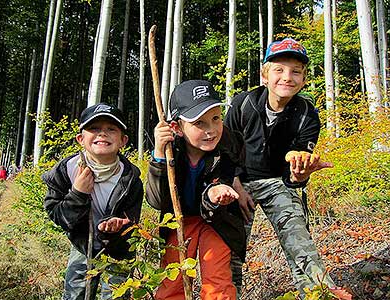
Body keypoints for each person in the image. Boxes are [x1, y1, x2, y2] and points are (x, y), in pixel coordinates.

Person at [225, 38, 338, 297]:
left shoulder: (307, 115)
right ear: (264, 75)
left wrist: (299, 175)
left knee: (299, 239)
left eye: (295, 71)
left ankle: (318, 293)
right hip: (238, 182)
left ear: (304, 79)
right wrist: (235, 185)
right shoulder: (243, 104)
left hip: (277, 182)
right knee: (229, 251)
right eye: (279, 69)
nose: (287, 77)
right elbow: (224, 153)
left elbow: (294, 176)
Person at [146, 80, 246, 299]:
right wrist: (159, 156)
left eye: (216, 119)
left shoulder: (228, 146)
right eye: (199, 123)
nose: (211, 130)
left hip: (217, 220)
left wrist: (215, 193)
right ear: (177, 128)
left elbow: (230, 176)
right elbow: (156, 200)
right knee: (173, 280)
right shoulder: (171, 151)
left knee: (217, 279)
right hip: (180, 220)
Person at [42, 103, 144, 300]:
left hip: (119, 250)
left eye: (111, 129)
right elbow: (57, 215)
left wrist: (118, 227)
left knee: (117, 296)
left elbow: (132, 223)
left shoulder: (131, 179)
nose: (102, 134)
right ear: (80, 139)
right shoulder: (67, 171)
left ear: (123, 140)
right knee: (75, 294)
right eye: (94, 128)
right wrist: (78, 194)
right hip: (81, 245)